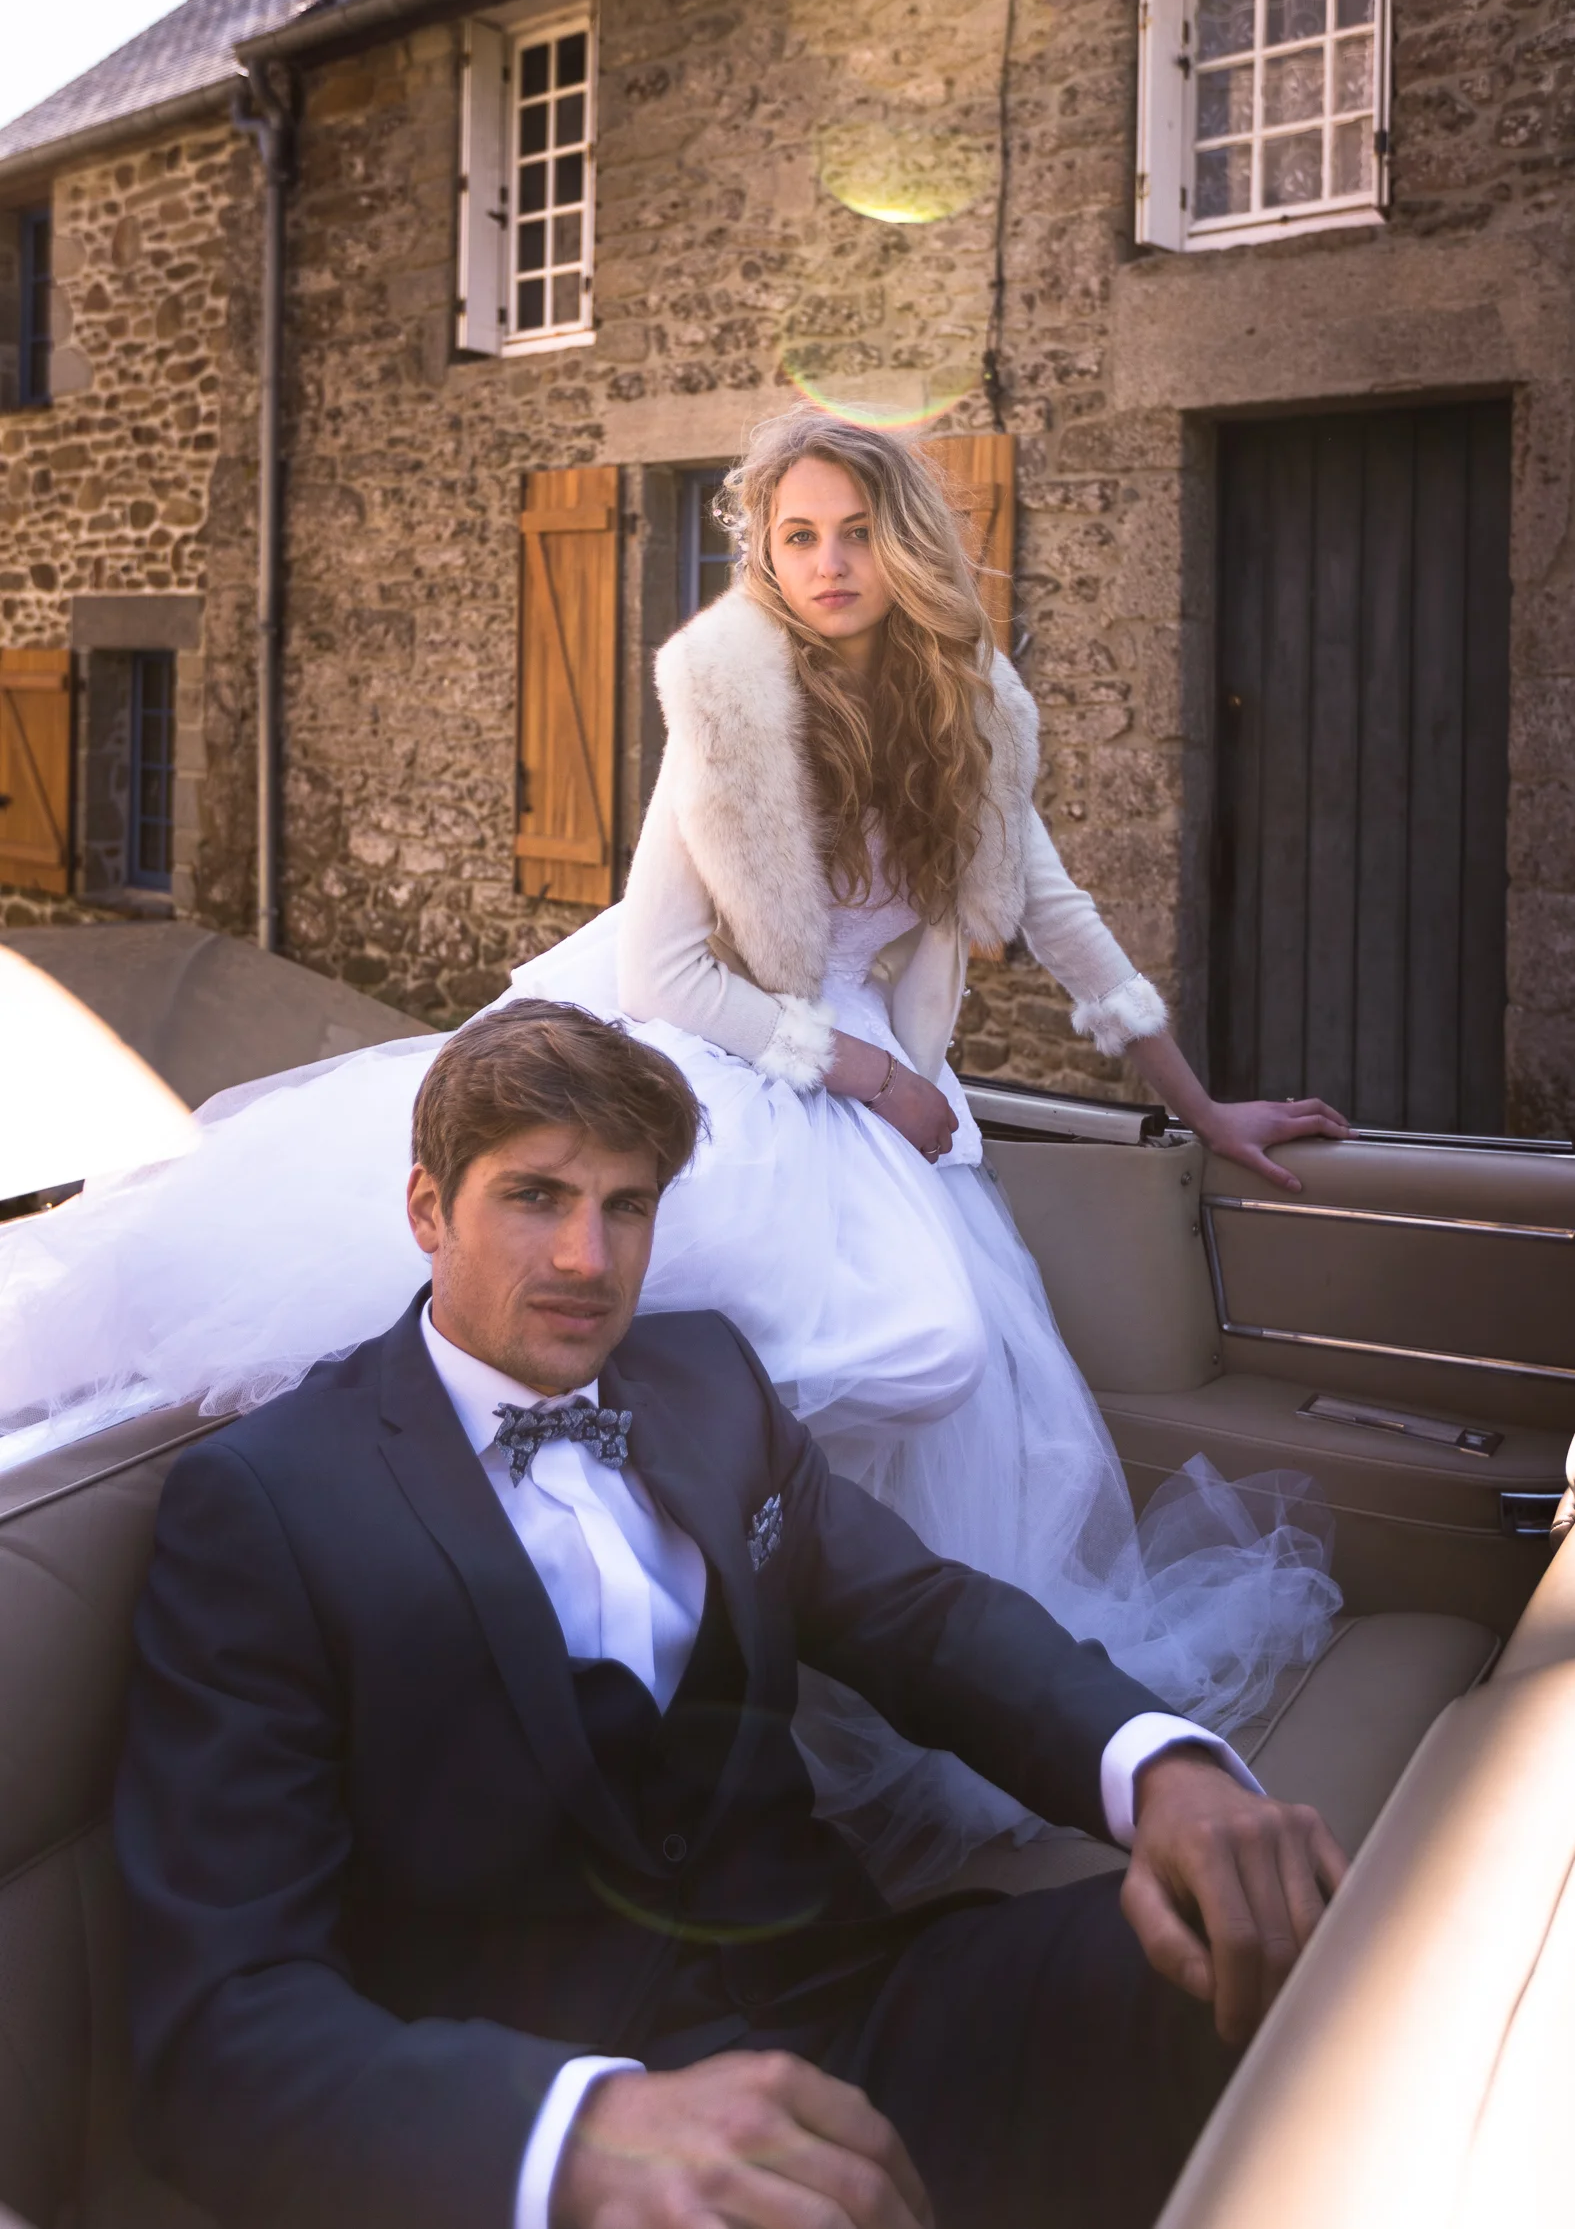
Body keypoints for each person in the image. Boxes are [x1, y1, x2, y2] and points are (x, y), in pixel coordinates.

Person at [1, 407, 1341, 1890]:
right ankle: (621, 1641)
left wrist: (1201, 1104)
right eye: (794, 537)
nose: (826, 564)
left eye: (851, 532)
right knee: (696, 1317)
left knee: (935, 1361)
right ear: (762, 554)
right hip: (705, 1039)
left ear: (903, 541)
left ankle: (796, 1670)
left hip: (866, 1074)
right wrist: (861, 1075)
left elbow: (1059, 913)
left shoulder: (976, 704)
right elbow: (661, 975)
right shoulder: (725, 697)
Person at [116, 1003, 1348, 2229]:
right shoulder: (266, 1501)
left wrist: (1162, 1766)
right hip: (577, 2137)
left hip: (857, 2003)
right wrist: (579, 2135)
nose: (588, 1262)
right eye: (535, 1197)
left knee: (1279, 1959)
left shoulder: (708, 1380)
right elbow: (220, 2026)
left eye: (627, 1205)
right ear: (429, 1210)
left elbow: (923, 1620)